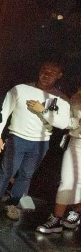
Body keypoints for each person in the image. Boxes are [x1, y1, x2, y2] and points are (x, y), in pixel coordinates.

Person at [0, 62, 72, 222]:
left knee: (26, 175)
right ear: (39, 70)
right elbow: (4, 112)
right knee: (7, 171)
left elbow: (63, 123)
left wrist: (43, 110)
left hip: (40, 142)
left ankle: (12, 204)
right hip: (17, 137)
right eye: (45, 70)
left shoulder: (61, 99)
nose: (47, 75)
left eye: (52, 72)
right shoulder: (21, 89)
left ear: (59, 75)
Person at [39, 82, 81, 235]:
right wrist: (74, 122)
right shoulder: (75, 98)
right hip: (77, 142)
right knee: (67, 181)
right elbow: (64, 120)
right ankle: (56, 219)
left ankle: (76, 212)